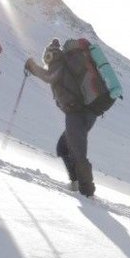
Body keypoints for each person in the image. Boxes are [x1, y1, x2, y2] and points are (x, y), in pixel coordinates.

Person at [24, 39, 98, 197]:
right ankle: (77, 184)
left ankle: (86, 191)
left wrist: (32, 66)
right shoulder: (69, 64)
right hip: (85, 112)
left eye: (46, 56)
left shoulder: (58, 63)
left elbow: (49, 76)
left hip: (77, 113)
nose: (46, 60)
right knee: (65, 147)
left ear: (49, 54)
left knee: (75, 151)